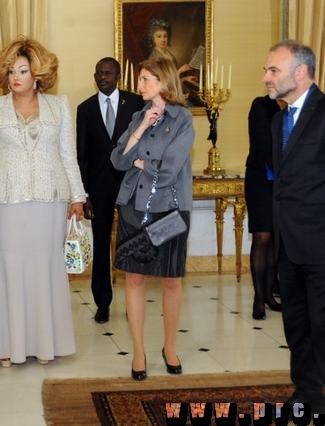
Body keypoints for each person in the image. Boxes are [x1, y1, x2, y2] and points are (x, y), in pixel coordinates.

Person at [263, 40, 325, 413]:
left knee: (324, 327)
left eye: (273, 70)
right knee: (297, 326)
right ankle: (307, 394)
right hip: (290, 243)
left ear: (301, 72)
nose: (266, 77)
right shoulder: (279, 120)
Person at [0, 35, 86, 368]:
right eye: (11, 71)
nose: (15, 78)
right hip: (9, 200)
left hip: (51, 198)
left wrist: (78, 196)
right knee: (11, 268)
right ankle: (9, 345)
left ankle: (45, 345)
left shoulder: (59, 105)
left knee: (46, 268)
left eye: (22, 70)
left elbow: (68, 154)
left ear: (37, 73)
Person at [110, 57, 195, 380]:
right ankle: (139, 352)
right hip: (133, 206)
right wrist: (143, 127)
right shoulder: (137, 117)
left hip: (170, 209)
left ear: (163, 82)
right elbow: (118, 160)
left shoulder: (183, 119)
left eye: (146, 79)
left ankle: (169, 347)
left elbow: (170, 170)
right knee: (134, 278)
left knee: (171, 279)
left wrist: (142, 163)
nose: (140, 84)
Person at [76, 57, 145, 324]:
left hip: (130, 185)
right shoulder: (86, 109)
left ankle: (133, 301)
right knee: (102, 245)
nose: (102, 77)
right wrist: (85, 195)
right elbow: (82, 155)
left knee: (130, 244)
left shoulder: (136, 103)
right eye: (99, 73)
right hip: (99, 189)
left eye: (108, 73)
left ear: (117, 76)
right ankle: (102, 303)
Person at [244, 95, 284, 320]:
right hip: (261, 178)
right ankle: (259, 298)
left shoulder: (297, 106)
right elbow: (263, 141)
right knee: (261, 236)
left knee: (276, 239)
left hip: (285, 181)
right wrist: (285, 168)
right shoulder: (260, 104)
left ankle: (269, 294)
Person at [146, 18, 199, 105]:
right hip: (163, 98)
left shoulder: (170, 55)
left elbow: (172, 82)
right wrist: (181, 70)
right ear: (153, 39)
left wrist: (185, 79)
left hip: (174, 93)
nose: (163, 40)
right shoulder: (153, 59)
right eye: (159, 36)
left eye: (165, 36)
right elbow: (163, 84)